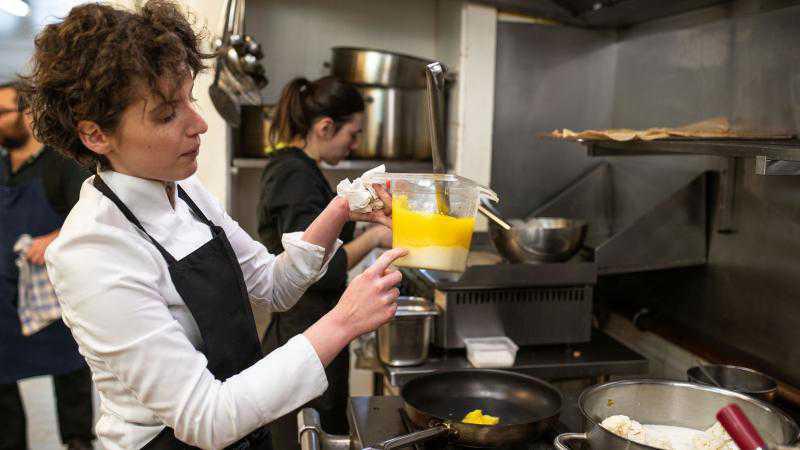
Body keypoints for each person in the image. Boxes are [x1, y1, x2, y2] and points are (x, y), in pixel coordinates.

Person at [21, 1, 406, 449]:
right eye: (167, 113)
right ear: (95, 135)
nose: (199, 123)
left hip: (242, 428)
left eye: (190, 99)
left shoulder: (185, 190)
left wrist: (342, 208)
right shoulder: (92, 250)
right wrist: (343, 321)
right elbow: (204, 418)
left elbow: (274, 283)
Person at [258, 76, 392, 449]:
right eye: (353, 133)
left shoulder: (301, 170)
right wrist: (377, 237)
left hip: (314, 326)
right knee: (310, 433)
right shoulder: (294, 175)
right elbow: (319, 271)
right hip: (305, 332)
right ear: (324, 127)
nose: (355, 143)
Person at [0, 81, 94, 450]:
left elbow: (89, 221)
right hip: (5, 298)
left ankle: (78, 441)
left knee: (70, 373)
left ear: (27, 113)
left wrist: (53, 238)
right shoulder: (2, 165)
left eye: (2, 112)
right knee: (3, 385)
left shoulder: (63, 165)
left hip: (53, 300)